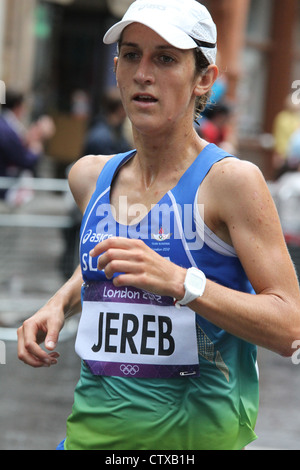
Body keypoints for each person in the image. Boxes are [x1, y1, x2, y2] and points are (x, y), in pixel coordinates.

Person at [17, 0, 300, 451]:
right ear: (116, 68)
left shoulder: (230, 182)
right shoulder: (89, 176)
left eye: (165, 58)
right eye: (132, 55)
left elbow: (291, 327)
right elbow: (106, 261)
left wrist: (181, 282)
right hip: (90, 439)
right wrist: (59, 302)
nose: (143, 74)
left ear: (203, 78)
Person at [0, 89, 55, 200]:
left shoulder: (8, 125)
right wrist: (35, 150)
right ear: (18, 105)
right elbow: (22, 159)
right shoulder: (7, 129)